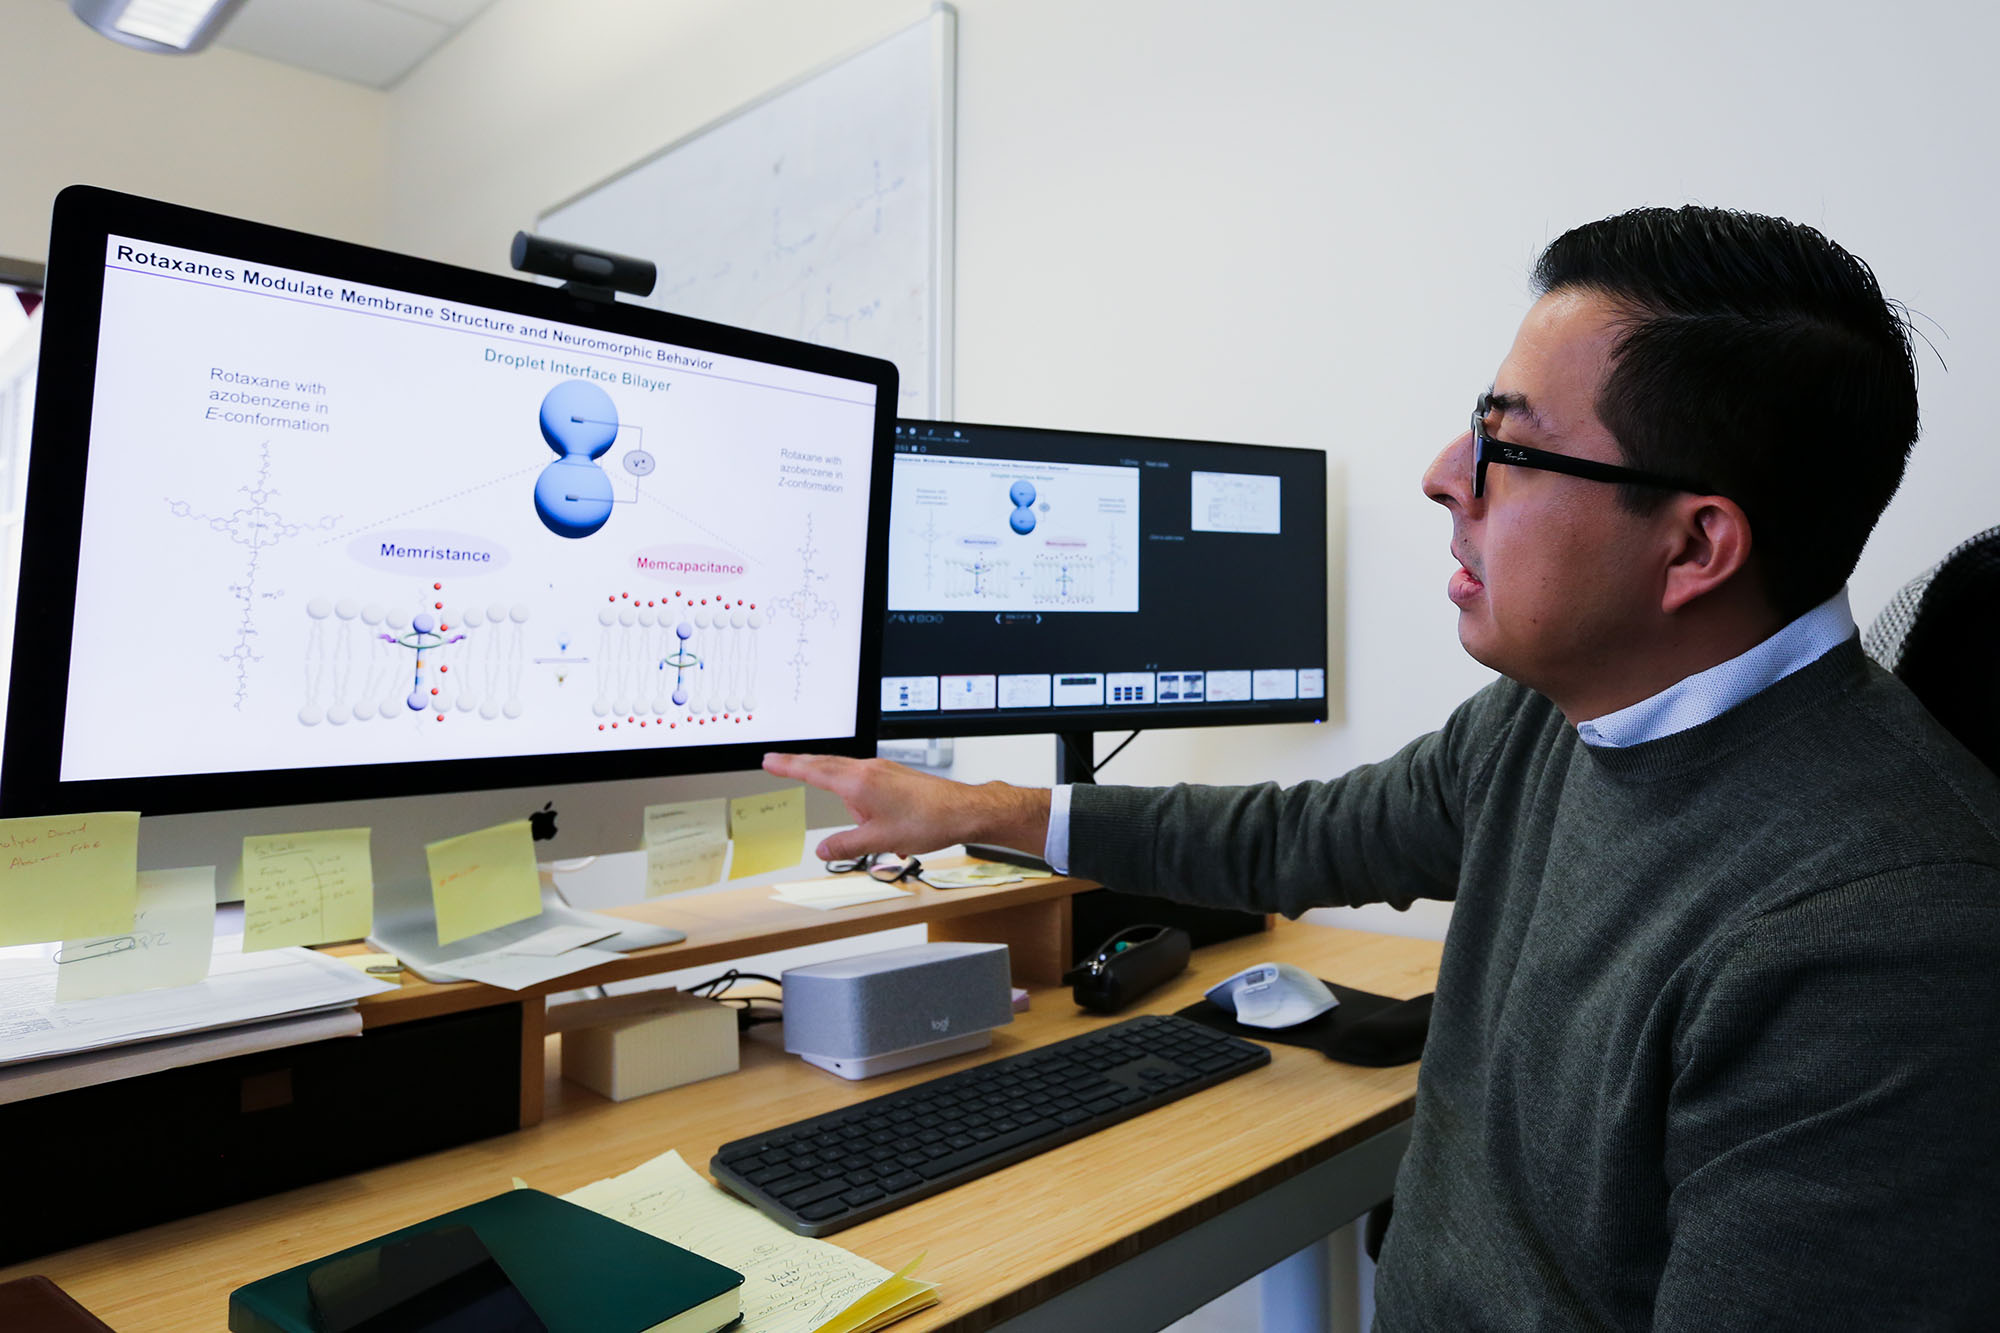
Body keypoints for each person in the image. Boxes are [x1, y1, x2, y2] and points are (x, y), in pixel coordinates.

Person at [767, 206, 2000, 1329]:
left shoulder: (1882, 945)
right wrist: (979, 810)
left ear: (1692, 546)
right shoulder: (1541, 720)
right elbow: (1295, 837)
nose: (1439, 477)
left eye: (1506, 449)